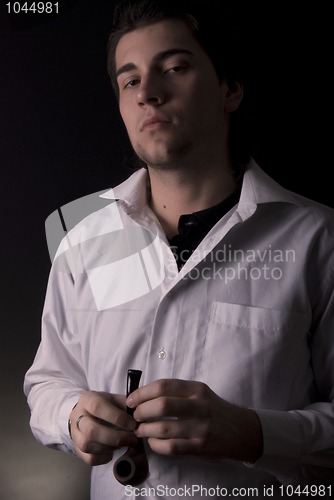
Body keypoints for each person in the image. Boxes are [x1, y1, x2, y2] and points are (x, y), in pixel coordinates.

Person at [24, 0, 334, 498]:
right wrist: (72, 416)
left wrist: (255, 435)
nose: (148, 92)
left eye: (174, 68)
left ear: (228, 89)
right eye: (130, 81)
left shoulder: (319, 241)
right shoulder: (82, 241)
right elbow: (47, 383)